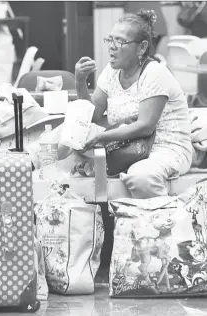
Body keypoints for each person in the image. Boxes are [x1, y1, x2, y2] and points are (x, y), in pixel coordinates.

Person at [74, 9, 193, 199]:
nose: (111, 47)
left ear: (142, 47)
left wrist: (101, 137)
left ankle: (164, 221)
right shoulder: (111, 72)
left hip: (164, 149)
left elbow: (145, 126)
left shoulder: (154, 73)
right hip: (127, 148)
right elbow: (94, 114)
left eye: (120, 41)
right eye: (109, 40)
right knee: (73, 160)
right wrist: (80, 81)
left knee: (141, 177)